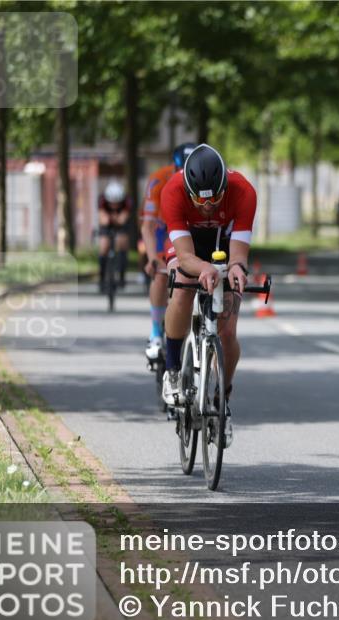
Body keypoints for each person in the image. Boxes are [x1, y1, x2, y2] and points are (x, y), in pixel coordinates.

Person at [159, 144, 256, 448]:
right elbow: (185, 255)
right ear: (187, 189)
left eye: (214, 200)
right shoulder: (172, 191)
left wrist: (238, 269)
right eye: (200, 201)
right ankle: (173, 369)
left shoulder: (243, 191)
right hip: (188, 244)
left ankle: (221, 399)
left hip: (223, 242)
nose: (207, 207)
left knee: (227, 329)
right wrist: (201, 269)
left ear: (224, 187)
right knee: (182, 287)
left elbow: (239, 254)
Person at [139, 142, 196, 361]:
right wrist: (152, 257)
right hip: (164, 229)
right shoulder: (158, 180)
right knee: (161, 275)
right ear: (173, 166)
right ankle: (155, 332)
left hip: (193, 228)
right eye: (178, 171)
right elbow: (148, 225)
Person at [98, 180, 132, 292]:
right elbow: (103, 219)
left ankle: (122, 276)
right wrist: (110, 219)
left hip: (122, 226)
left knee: (122, 242)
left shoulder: (127, 201)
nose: (114, 205)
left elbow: (123, 219)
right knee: (104, 246)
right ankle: (102, 279)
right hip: (107, 226)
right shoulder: (102, 200)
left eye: (117, 203)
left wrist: (117, 219)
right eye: (111, 203)